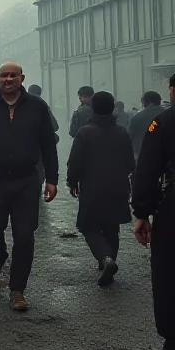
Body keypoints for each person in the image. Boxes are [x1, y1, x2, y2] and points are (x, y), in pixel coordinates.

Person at [0, 62, 58, 312]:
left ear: (22, 77)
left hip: (26, 180)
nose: (8, 80)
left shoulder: (37, 107)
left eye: (13, 76)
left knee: (24, 235)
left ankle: (17, 290)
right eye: (3, 76)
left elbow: (48, 145)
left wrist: (52, 178)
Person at [66, 91, 134, 286]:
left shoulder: (85, 132)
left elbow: (75, 162)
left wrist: (72, 182)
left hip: (92, 187)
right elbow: (131, 162)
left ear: (93, 108)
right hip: (119, 187)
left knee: (89, 226)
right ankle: (109, 261)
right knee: (112, 227)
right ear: (112, 108)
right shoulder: (122, 131)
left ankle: (105, 259)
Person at [132, 74, 175, 350]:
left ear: (172, 90)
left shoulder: (162, 123)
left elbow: (147, 170)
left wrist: (142, 213)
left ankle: (172, 349)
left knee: (170, 273)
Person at [129, 91, 165, 158]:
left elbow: (130, 137)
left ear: (147, 102)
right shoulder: (168, 115)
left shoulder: (137, 117)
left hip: (142, 154)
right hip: (165, 155)